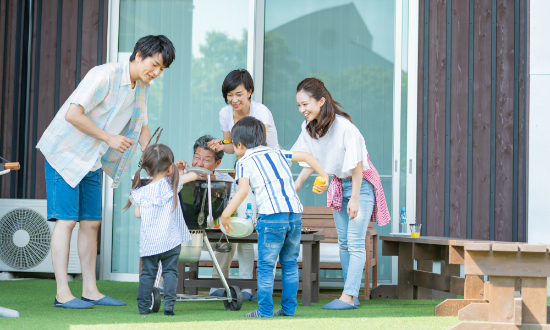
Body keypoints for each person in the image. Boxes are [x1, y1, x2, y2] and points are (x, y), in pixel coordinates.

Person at [36, 35, 176, 309]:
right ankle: (62, 293)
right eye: (154, 64)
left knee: (91, 223)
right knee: (66, 221)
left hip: (92, 159)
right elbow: (73, 114)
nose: (156, 72)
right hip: (65, 154)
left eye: (162, 69)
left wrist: (150, 152)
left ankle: (90, 290)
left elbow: (142, 124)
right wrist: (109, 138)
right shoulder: (104, 75)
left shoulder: (142, 87)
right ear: (138, 55)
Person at [291, 78, 390, 310]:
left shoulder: (345, 127)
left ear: (321, 101)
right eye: (298, 105)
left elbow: (357, 165)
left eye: (305, 104)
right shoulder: (308, 128)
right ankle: (351, 294)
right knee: (344, 243)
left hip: (360, 184)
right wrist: (296, 185)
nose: (302, 110)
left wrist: (355, 198)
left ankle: (348, 296)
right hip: (339, 185)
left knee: (355, 242)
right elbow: (308, 159)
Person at [220, 116, 329, 318]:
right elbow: (308, 156)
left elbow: (242, 191)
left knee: (266, 266)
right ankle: (288, 310)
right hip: (294, 215)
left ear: (240, 145)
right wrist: (324, 176)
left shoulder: (244, 161)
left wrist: (225, 214)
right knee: (289, 264)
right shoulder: (277, 153)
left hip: (272, 217)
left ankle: (264, 311)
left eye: (233, 146)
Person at [178, 135, 256, 300]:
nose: (199, 164)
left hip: (213, 236)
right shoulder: (182, 176)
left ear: (217, 164)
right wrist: (179, 176)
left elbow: (236, 204)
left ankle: (217, 285)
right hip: (185, 235)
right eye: (197, 158)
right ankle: (165, 283)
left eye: (206, 160)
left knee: (228, 238)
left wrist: (216, 187)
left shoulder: (225, 181)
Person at [125, 144, 198, 315]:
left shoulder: (141, 191)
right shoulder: (172, 184)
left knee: (147, 275)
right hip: (171, 240)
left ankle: (143, 308)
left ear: (147, 169)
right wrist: (181, 173)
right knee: (170, 272)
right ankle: (169, 308)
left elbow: (137, 214)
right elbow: (194, 175)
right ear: (170, 167)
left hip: (150, 242)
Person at [208, 69, 279, 152]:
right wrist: (222, 146)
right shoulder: (225, 113)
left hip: (268, 159)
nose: (234, 100)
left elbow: (257, 146)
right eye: (230, 95)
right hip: (246, 160)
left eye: (239, 94)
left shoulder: (261, 111)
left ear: (249, 92)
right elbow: (231, 149)